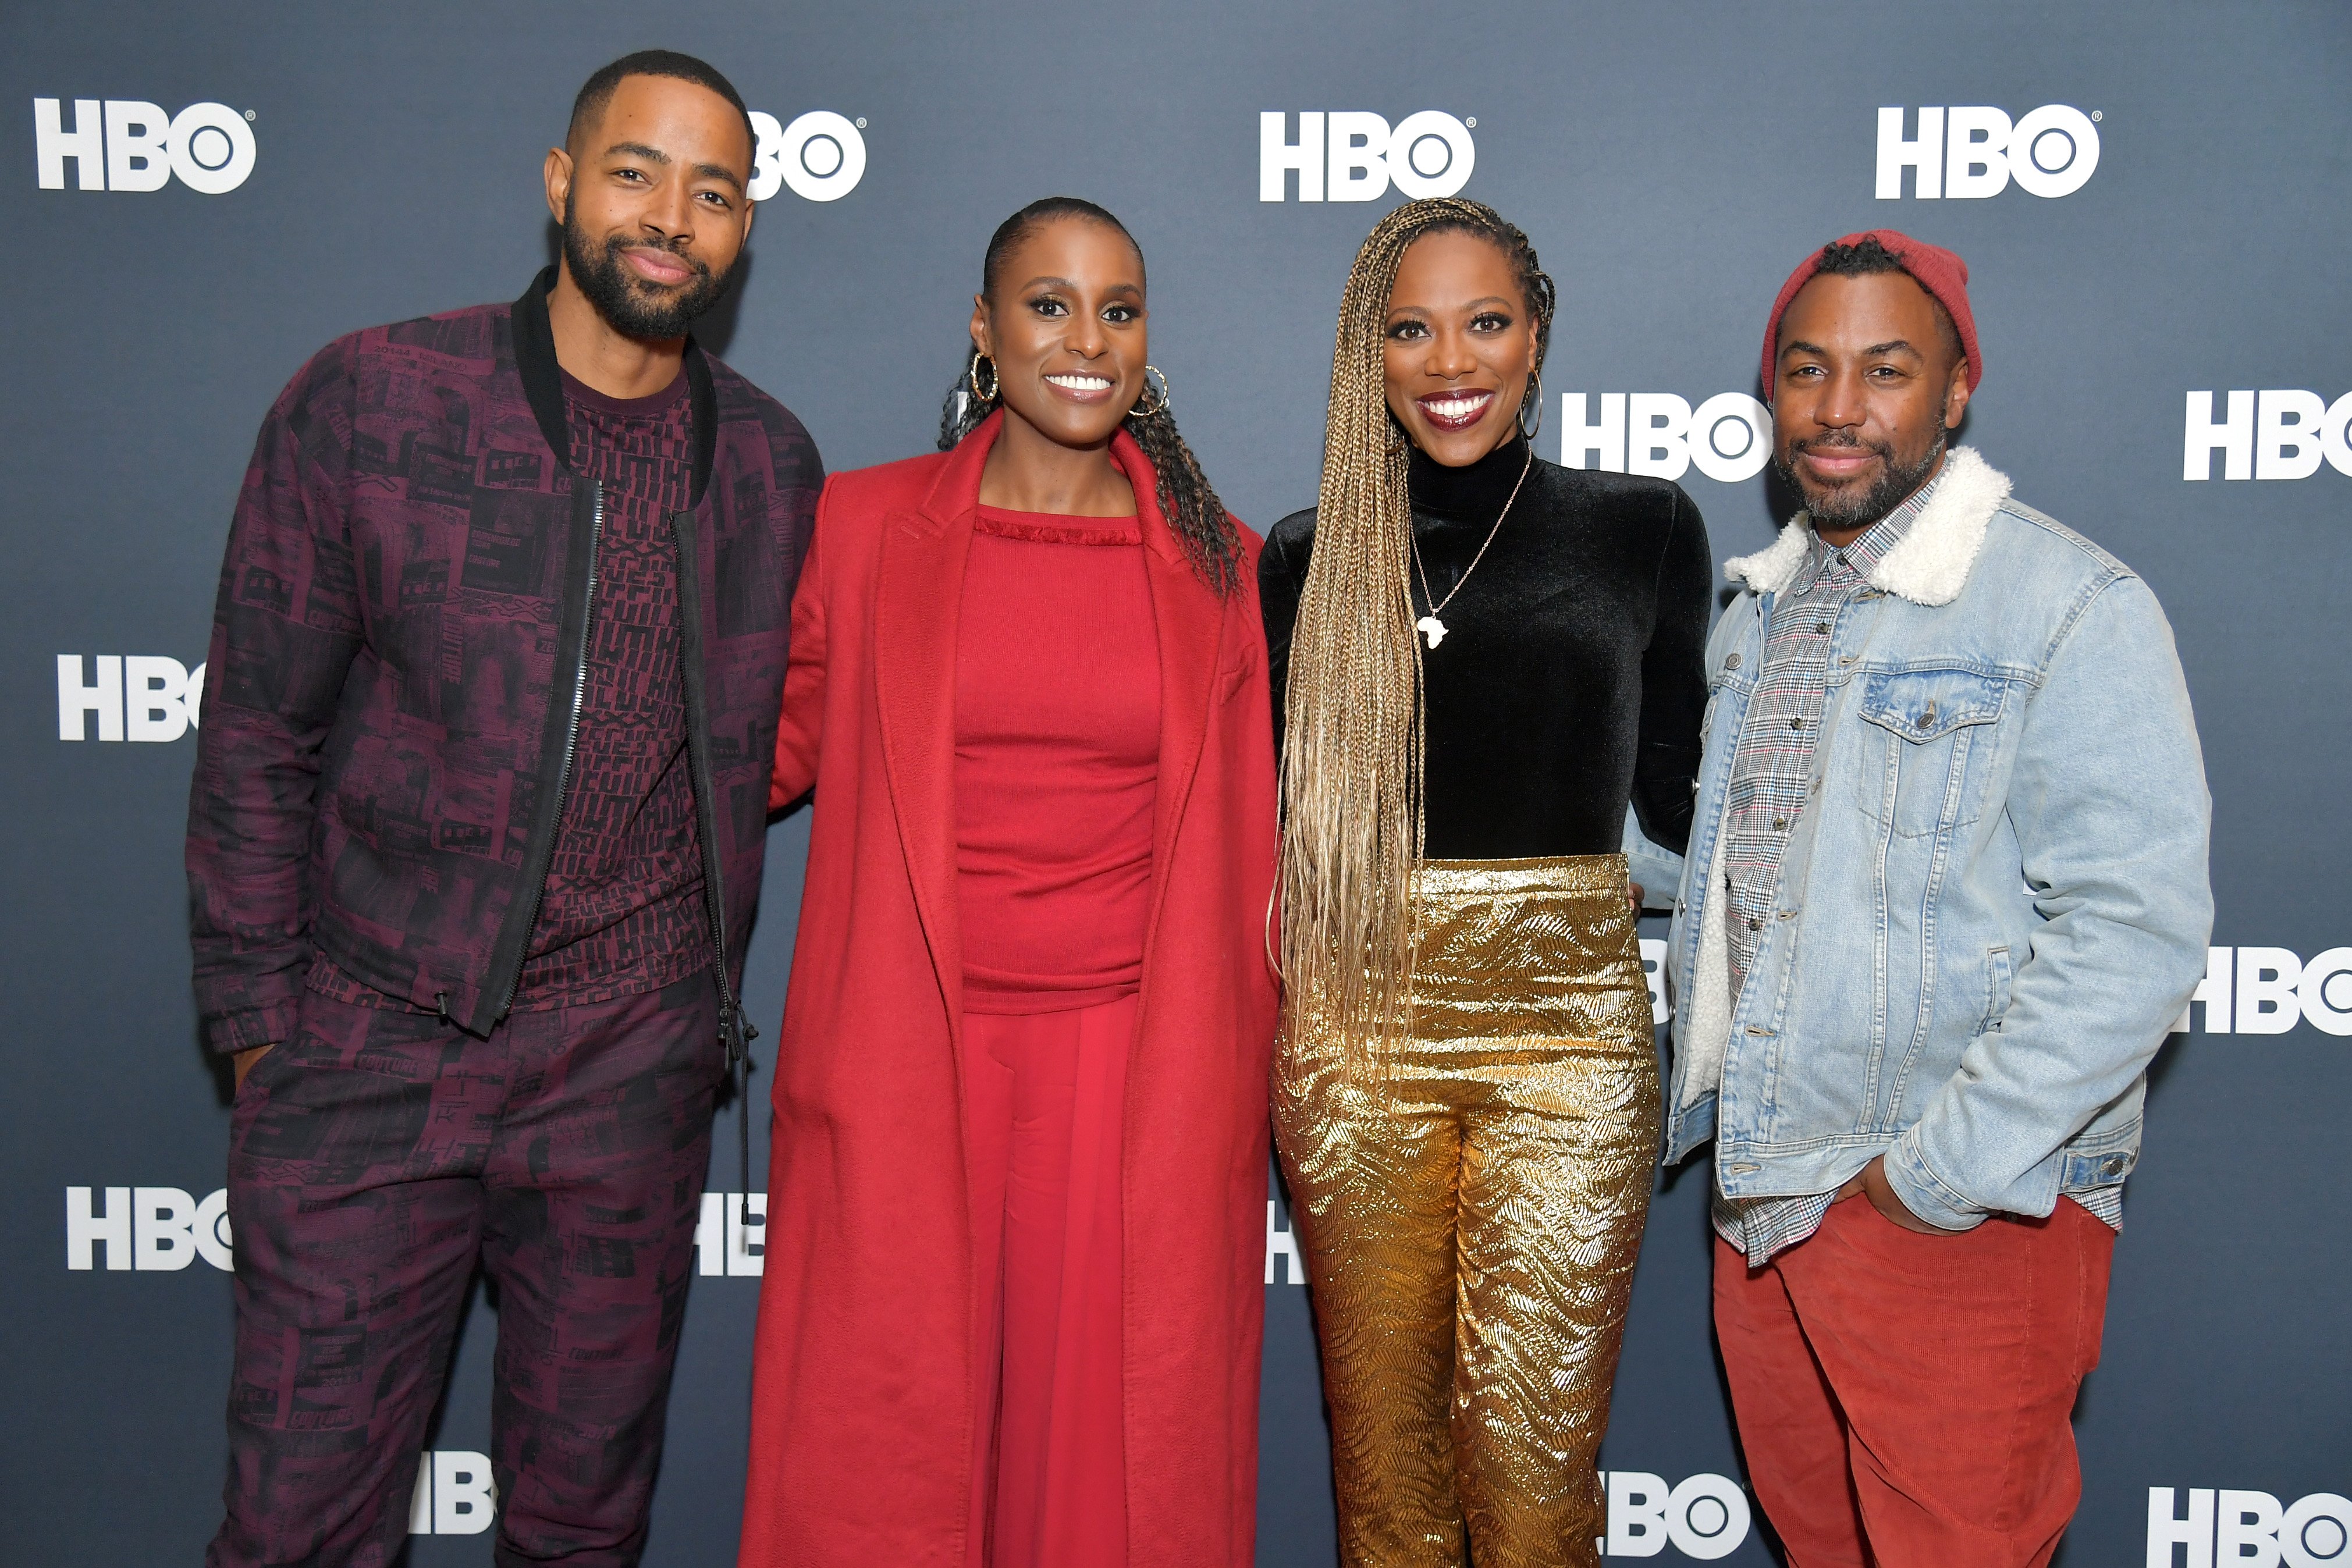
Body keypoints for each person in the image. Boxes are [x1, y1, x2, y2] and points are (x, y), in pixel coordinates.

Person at [184, 52, 821, 1567]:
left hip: (626, 1080)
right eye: (634, 172)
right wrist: (268, 1033)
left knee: (579, 1535)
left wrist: (675, 1036)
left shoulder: (771, 467)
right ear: (558, 182)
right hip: (368, 1054)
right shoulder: (374, 400)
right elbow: (258, 735)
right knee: (297, 1534)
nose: (670, 217)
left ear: (742, 231)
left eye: (712, 190)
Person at [736, 198, 1278, 1568]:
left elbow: (1293, 831)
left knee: (1110, 1480)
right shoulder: (857, 531)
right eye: (1048, 304)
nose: (1085, 340)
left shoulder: (1228, 570)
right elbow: (741, 764)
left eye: (1118, 308)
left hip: (1132, 1074)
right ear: (983, 330)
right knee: (882, 1456)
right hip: (903, 1058)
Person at [1666, 230, 2212, 1566]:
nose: (1837, 406)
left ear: (1955, 388)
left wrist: (1935, 1175)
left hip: (1952, 1209)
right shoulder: (1756, 610)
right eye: (1806, 370)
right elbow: (1763, 867)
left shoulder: (2066, 602)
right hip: (1763, 1198)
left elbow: (2133, 934)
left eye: (1883, 369)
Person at [1261, 197, 1711, 1568]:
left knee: (1531, 1476)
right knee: (1385, 1474)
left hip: (1565, 1035)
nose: (1448, 359)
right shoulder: (1295, 558)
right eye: (1409, 328)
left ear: (1536, 337)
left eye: (1484, 322)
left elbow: (1688, 807)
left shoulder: (1641, 531)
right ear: (1365, 351)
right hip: (1353, 1027)